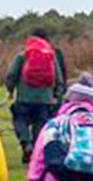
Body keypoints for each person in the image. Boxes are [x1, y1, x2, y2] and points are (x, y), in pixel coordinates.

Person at [5, 29, 66, 164]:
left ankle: (26, 144)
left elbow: (11, 74)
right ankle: (34, 147)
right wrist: (56, 95)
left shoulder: (23, 55)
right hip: (45, 99)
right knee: (40, 123)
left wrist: (10, 89)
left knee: (19, 120)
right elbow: (59, 79)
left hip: (24, 97)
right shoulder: (51, 57)